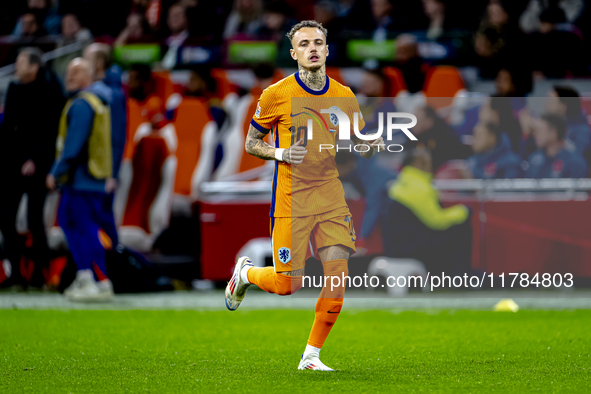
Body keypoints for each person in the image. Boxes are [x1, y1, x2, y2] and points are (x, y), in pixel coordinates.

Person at [224, 20, 383, 371]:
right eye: (304, 43)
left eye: (318, 42)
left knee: (337, 276)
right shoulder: (275, 95)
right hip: (291, 198)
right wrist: (280, 154)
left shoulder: (344, 96)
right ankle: (246, 274)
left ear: (327, 50)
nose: (312, 47)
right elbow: (252, 142)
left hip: (329, 195)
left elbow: (357, 144)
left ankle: (311, 356)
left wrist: (372, 146)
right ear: (294, 53)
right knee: (287, 285)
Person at [46, 58, 116, 302]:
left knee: (84, 228)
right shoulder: (95, 103)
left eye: (77, 73)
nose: (70, 77)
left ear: (88, 78)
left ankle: (97, 279)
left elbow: (72, 147)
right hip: (90, 177)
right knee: (70, 222)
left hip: (81, 178)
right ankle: (89, 275)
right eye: (68, 72)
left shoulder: (82, 104)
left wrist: (55, 172)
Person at [0, 47, 65, 289]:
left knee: (34, 220)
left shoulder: (50, 90)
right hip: (13, 163)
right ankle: (16, 270)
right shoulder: (15, 89)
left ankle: (38, 273)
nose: (16, 66)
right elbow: (8, 128)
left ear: (34, 67)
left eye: (21, 62)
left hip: (39, 165)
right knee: (5, 217)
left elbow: (51, 131)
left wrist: (36, 160)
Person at [382, 146, 472, 276]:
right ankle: (460, 277)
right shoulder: (419, 186)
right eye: (425, 157)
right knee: (461, 228)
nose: (430, 159)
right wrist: (463, 211)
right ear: (417, 162)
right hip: (409, 248)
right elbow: (436, 221)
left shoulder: (401, 181)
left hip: (395, 246)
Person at [83, 43, 128, 243]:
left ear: (99, 63)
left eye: (87, 60)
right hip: (86, 170)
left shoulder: (113, 96)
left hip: (103, 173)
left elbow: (118, 138)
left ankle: (114, 265)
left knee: (103, 218)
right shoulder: (85, 92)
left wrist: (112, 174)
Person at [525, 114, 588, 178]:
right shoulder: (534, 159)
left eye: (540, 130)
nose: (535, 134)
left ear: (553, 132)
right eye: (535, 131)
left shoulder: (574, 163)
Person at [545, 86, 590, 155]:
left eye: (551, 101)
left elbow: (575, 158)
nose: (546, 105)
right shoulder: (549, 125)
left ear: (563, 106)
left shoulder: (582, 133)